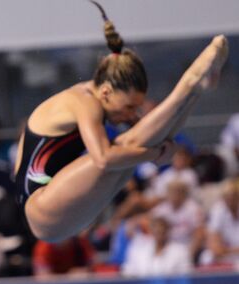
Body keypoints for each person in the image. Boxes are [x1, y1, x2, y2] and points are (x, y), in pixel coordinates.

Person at [13, 1, 228, 242]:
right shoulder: (84, 102)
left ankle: (195, 91)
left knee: (132, 150)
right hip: (42, 207)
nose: (131, 114)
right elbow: (103, 159)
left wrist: (161, 149)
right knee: (125, 149)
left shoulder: (101, 101)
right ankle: (188, 85)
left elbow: (149, 133)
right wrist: (154, 156)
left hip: (61, 211)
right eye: (128, 107)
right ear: (105, 92)